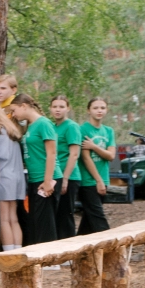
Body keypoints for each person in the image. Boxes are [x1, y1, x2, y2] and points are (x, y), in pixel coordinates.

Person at [12, 94, 57, 245]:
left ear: (24, 106)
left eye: (15, 110)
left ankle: (51, 257)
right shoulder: (30, 126)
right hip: (33, 178)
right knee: (36, 219)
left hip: (46, 178)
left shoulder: (44, 124)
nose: (14, 114)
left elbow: (51, 152)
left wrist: (48, 181)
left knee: (45, 220)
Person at [0, 73, 27, 249]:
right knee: (12, 217)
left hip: (5, 173)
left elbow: (1, 154)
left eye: (2, 88)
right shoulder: (13, 125)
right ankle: (16, 249)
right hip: (17, 174)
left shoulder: (9, 120)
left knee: (5, 217)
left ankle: (8, 253)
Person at [72, 97, 114, 235]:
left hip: (103, 179)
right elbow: (85, 157)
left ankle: (78, 249)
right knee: (97, 217)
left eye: (102, 108)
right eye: (95, 108)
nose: (99, 111)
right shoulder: (82, 129)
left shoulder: (108, 131)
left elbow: (111, 156)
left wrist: (94, 146)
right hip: (88, 181)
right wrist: (98, 180)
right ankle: (111, 247)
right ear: (88, 110)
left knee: (89, 220)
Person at [46, 96, 82, 241]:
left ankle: (69, 247)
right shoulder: (51, 126)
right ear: (50, 109)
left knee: (66, 213)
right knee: (56, 213)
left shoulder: (71, 126)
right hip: (55, 174)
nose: (58, 110)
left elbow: (74, 154)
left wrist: (65, 178)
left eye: (61, 107)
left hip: (69, 176)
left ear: (68, 108)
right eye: (55, 107)